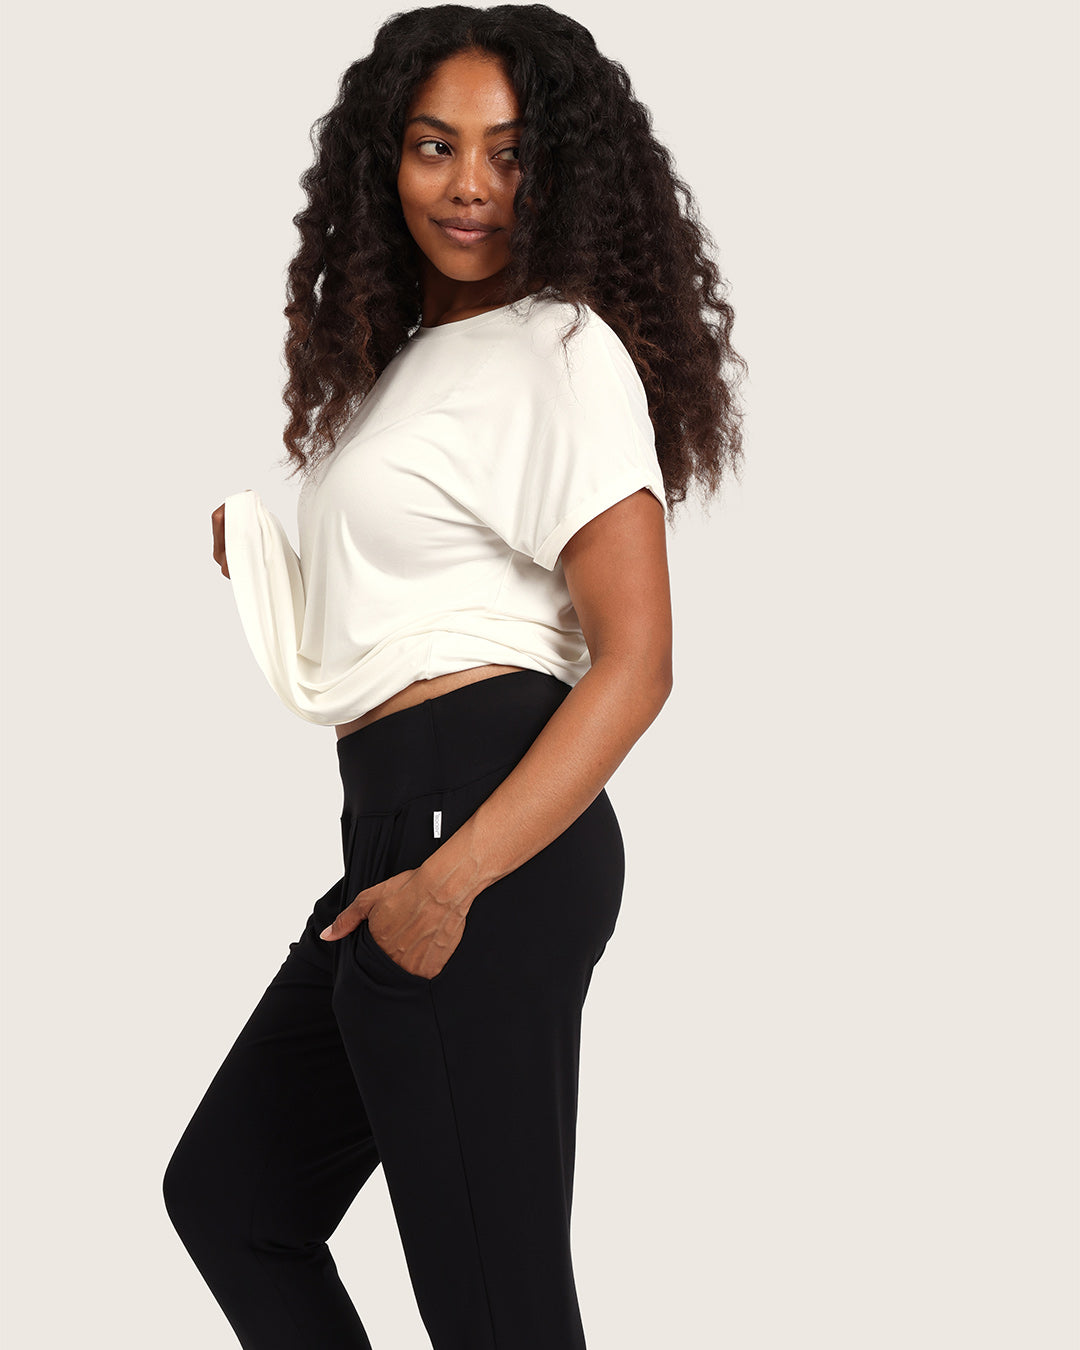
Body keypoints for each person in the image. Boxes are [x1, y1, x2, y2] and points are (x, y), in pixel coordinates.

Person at [163, 6, 746, 1348]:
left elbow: (639, 661)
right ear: (386, 161)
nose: (470, 184)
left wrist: (451, 882)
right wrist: (277, 570)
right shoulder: (421, 363)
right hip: (398, 827)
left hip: (480, 832)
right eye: (435, 147)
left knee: (498, 1313)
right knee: (236, 1196)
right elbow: (434, 608)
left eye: (510, 151)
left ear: (563, 172)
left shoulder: (560, 351)